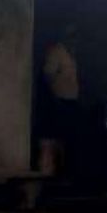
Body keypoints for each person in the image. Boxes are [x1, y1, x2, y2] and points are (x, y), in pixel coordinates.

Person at [39, 25, 80, 178]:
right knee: (53, 139)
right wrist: (52, 97)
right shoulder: (57, 52)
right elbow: (47, 76)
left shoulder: (71, 54)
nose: (75, 41)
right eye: (72, 37)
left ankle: (63, 173)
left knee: (66, 138)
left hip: (69, 101)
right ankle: (52, 175)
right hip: (58, 101)